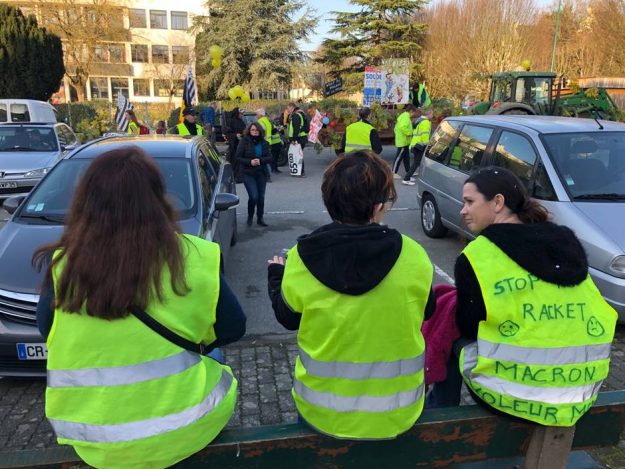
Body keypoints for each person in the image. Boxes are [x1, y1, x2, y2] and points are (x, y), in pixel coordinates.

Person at [32, 147, 246, 468]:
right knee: (214, 358)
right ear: (157, 198)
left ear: (85, 202)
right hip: (187, 430)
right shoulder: (196, 256)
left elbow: (48, 329)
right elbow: (233, 327)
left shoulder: (63, 265)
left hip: (96, 438)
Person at [427, 167, 617, 427]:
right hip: (581, 390)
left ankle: (439, 419)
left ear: (497, 203)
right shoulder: (565, 243)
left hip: (513, 396)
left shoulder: (479, 255)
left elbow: (469, 326)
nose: (463, 210)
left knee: (449, 332)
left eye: (470, 201)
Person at [267, 151, 436, 439]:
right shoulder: (413, 255)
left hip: (322, 412)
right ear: (379, 205)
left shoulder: (302, 257)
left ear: (328, 200)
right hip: (398, 412)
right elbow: (427, 311)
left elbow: (288, 318)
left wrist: (275, 277)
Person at [235, 122, 272, 227]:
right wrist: (250, 162)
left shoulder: (264, 143)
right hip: (248, 173)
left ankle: (260, 218)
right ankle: (250, 216)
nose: (254, 132)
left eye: (256, 130)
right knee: (254, 196)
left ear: (260, 131)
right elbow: (238, 157)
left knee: (261, 197)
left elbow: (270, 157)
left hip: (261, 173)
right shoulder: (244, 141)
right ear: (249, 131)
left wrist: (260, 160)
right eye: (252, 130)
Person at [402, 107, 433, 186]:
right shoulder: (425, 122)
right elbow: (425, 136)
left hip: (415, 144)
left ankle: (408, 177)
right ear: (428, 114)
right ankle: (406, 178)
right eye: (432, 113)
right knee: (417, 162)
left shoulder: (419, 120)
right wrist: (428, 146)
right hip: (419, 145)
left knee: (417, 162)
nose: (433, 115)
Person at [393, 104, 418, 179]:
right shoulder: (406, 117)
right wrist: (410, 133)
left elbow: (397, 128)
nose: (413, 114)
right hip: (403, 141)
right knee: (399, 157)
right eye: (414, 112)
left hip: (404, 141)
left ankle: (409, 171)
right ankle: (393, 172)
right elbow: (402, 127)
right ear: (411, 111)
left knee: (406, 158)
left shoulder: (404, 116)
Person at [255, 108, 279, 179]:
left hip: (262, 143)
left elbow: (260, 132)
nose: (256, 115)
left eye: (257, 114)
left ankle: (266, 176)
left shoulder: (260, 121)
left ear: (261, 114)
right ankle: (267, 175)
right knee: (266, 159)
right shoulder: (267, 120)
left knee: (262, 160)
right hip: (268, 142)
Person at [224, 107, 246, 183]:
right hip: (234, 146)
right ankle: (235, 178)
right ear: (237, 114)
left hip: (241, 145)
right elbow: (227, 133)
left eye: (242, 114)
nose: (242, 115)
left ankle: (240, 177)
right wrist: (235, 135)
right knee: (235, 162)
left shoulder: (241, 122)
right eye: (240, 114)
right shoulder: (231, 122)